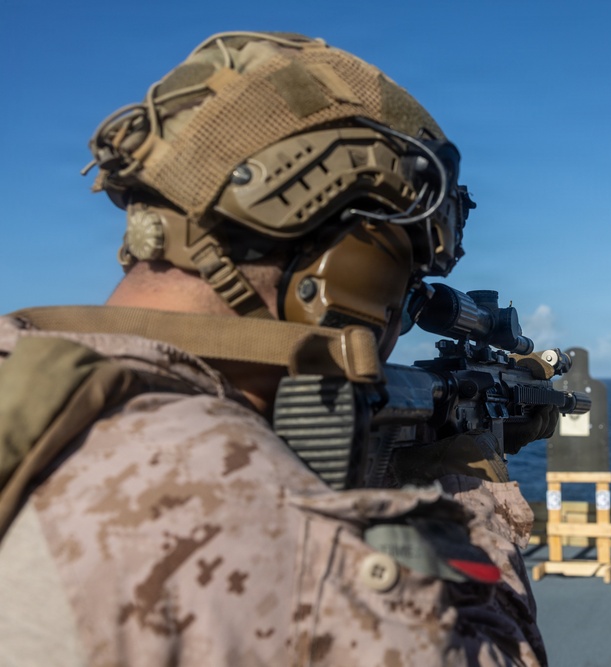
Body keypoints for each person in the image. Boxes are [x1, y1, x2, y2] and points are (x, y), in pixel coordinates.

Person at [0, 31, 550, 666]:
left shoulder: (35, 378)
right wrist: (470, 486)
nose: (403, 309)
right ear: (349, 269)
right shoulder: (244, 513)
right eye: (408, 273)